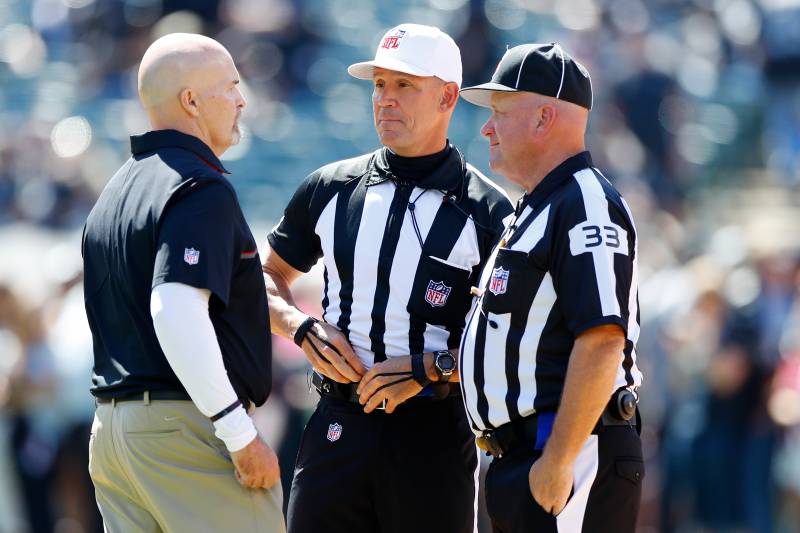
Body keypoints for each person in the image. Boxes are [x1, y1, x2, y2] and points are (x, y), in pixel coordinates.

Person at [262, 23, 513, 533]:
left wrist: (434, 366)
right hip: (337, 420)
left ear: (447, 96)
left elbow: (511, 340)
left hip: (433, 433)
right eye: (379, 84)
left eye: (404, 86)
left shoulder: (489, 211)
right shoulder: (330, 187)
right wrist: (299, 327)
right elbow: (262, 276)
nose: (385, 100)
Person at [82, 33, 284, 532]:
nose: (242, 100)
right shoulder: (199, 185)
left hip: (112, 432)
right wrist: (239, 433)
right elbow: (173, 307)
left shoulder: (114, 192)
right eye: (231, 86)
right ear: (191, 101)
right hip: (184, 431)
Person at [458, 43, 645, 532]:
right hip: (524, 457)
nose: (486, 127)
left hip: (564, 453)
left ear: (544, 117)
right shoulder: (537, 208)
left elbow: (604, 339)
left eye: (500, 111)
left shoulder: (585, 202)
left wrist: (558, 462)